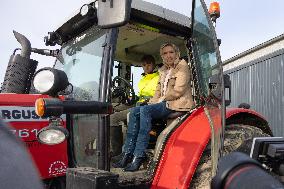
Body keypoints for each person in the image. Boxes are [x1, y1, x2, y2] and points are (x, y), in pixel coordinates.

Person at [112, 43, 194, 172]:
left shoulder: (182, 67)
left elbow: (178, 90)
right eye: (165, 53)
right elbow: (157, 91)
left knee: (144, 111)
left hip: (177, 103)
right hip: (163, 102)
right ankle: (127, 153)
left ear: (177, 53)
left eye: (171, 52)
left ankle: (139, 155)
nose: (168, 56)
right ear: (162, 56)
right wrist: (152, 101)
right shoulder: (163, 71)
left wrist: (160, 100)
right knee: (134, 111)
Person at [110, 55, 159, 156]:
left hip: (148, 105)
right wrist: (130, 98)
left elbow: (157, 95)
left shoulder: (158, 78)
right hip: (138, 103)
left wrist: (146, 101)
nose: (146, 67)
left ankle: (117, 152)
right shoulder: (142, 79)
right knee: (110, 106)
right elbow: (140, 95)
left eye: (149, 64)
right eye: (144, 65)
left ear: (153, 65)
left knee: (113, 118)